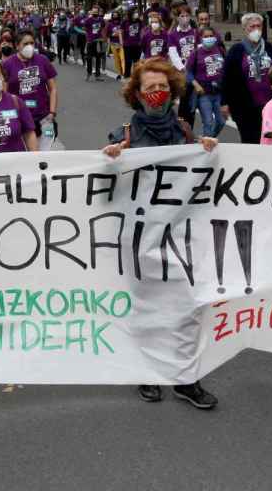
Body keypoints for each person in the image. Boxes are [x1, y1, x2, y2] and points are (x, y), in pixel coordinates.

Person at [99, 58, 218, 410]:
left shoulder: (184, 132)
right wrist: (110, 160)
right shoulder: (123, 135)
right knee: (144, 305)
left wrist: (206, 150)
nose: (157, 94)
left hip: (179, 235)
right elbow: (104, 190)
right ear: (136, 94)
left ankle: (185, 378)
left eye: (163, 88)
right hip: (138, 236)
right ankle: (146, 371)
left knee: (186, 307)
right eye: (149, 88)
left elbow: (199, 180)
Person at [221, 13, 272, 144]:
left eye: (259, 26)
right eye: (252, 26)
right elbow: (226, 77)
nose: (256, 29)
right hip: (244, 106)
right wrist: (224, 103)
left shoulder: (268, 48)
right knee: (250, 140)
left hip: (268, 103)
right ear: (245, 28)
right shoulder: (237, 50)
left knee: (268, 139)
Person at [3, 30, 59, 135]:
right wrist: (8, 118)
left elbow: (53, 89)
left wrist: (52, 112)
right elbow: (3, 94)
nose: (30, 46)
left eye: (32, 43)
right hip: (20, 119)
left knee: (45, 148)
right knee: (27, 150)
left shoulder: (43, 60)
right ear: (17, 46)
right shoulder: (7, 64)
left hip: (43, 117)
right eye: (25, 44)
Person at [187, 26, 227, 137]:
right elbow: (188, 73)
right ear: (200, 38)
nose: (209, 38)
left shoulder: (220, 50)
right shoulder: (196, 54)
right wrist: (196, 85)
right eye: (206, 36)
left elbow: (226, 70)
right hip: (204, 94)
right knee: (208, 122)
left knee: (221, 122)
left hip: (219, 94)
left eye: (211, 36)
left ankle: (208, 139)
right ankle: (207, 145)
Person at [168, 6, 198, 127]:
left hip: (196, 70)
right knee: (184, 100)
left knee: (192, 101)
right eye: (182, 16)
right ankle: (181, 126)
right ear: (177, 18)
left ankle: (189, 126)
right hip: (183, 71)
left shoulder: (195, 32)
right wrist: (182, 68)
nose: (185, 18)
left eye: (187, 16)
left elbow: (200, 49)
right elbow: (173, 53)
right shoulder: (173, 35)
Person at [83, 6, 106, 81]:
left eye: (96, 11)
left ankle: (97, 75)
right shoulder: (88, 20)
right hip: (90, 42)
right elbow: (85, 30)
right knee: (89, 58)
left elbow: (102, 29)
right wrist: (88, 39)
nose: (95, 13)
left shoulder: (101, 20)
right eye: (93, 11)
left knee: (98, 58)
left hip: (98, 42)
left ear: (98, 12)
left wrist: (103, 39)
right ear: (92, 12)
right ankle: (89, 73)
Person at [121, 8, 145, 77]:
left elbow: (142, 31)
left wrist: (141, 41)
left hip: (137, 44)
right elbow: (121, 32)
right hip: (127, 44)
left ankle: (136, 74)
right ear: (131, 13)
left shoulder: (139, 22)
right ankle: (127, 74)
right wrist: (122, 41)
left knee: (137, 61)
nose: (136, 14)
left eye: (137, 12)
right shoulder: (125, 22)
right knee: (128, 60)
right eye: (135, 12)